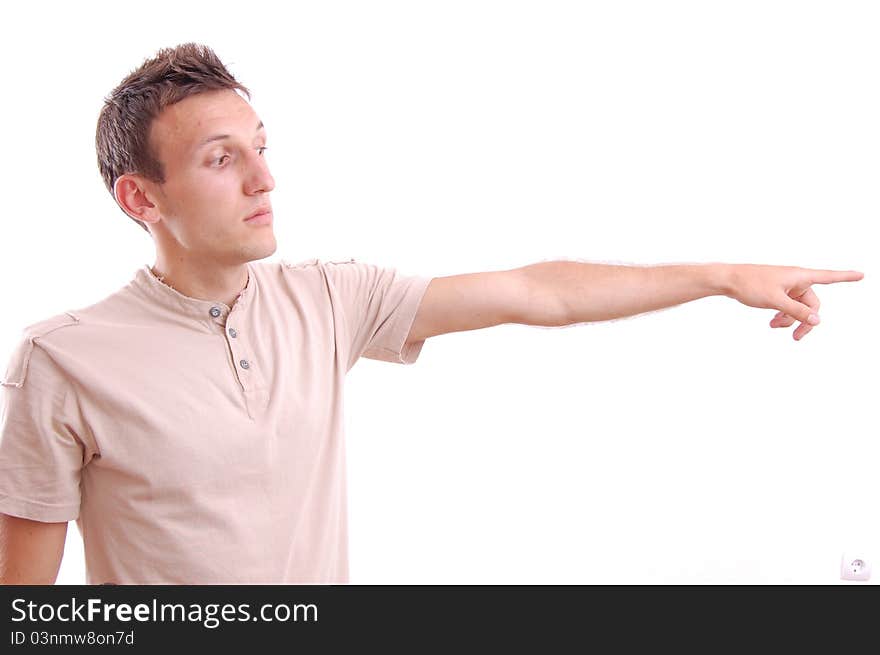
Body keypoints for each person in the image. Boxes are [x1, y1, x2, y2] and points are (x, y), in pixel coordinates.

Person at [0, 43, 864, 585]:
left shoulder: (328, 298)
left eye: (262, 148)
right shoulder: (64, 361)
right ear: (138, 197)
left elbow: (539, 291)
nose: (265, 180)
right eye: (223, 159)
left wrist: (721, 274)